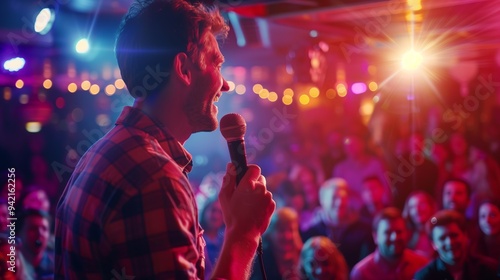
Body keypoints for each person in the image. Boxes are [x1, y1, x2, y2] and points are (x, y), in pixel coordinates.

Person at [54, 1, 275, 279]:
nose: (226, 84)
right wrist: (244, 234)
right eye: (216, 64)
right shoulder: (156, 180)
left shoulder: (102, 152)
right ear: (183, 69)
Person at [302, 178, 375, 271]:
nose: (340, 202)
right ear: (322, 200)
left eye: (343, 198)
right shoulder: (310, 234)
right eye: (334, 198)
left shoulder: (364, 231)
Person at [414, 210, 498, 280]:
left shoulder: (489, 269)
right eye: (442, 238)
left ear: (465, 236)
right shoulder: (424, 277)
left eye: (454, 235)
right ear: (434, 244)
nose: (450, 242)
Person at [350, 207, 429, 280]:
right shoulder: (362, 273)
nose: (394, 237)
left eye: (399, 232)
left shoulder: (422, 265)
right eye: (388, 232)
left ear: (407, 234)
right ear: (375, 237)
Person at [250, 207, 303, 280]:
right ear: (270, 233)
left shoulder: (305, 255)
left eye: (291, 230)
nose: (287, 236)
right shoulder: (261, 261)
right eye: (282, 230)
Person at [402, 191, 437, 258]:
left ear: (431, 206)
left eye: (421, 204)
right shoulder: (405, 235)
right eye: (412, 207)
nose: (417, 210)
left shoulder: (440, 232)